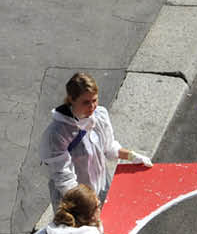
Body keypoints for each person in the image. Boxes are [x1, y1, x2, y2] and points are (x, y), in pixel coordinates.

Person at [39, 71, 151, 210]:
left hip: (101, 186)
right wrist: (86, 204)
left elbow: (109, 148)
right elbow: (63, 179)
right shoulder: (58, 133)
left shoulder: (100, 116)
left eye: (94, 100)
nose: (92, 107)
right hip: (75, 199)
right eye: (86, 102)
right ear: (72, 100)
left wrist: (131, 156)